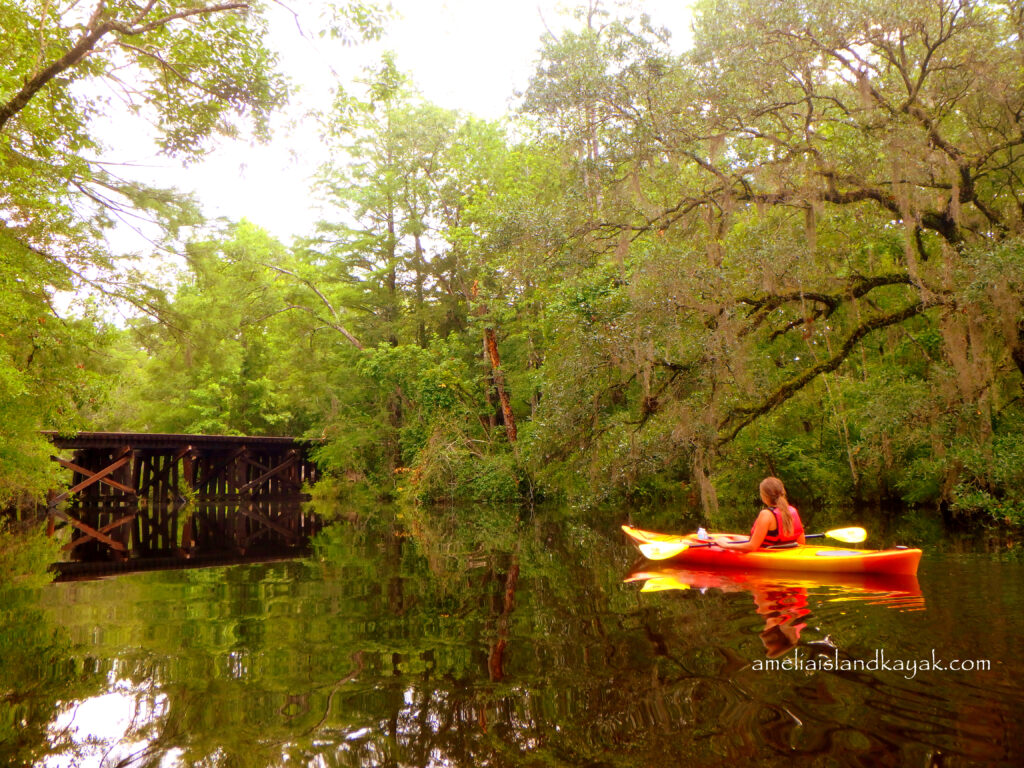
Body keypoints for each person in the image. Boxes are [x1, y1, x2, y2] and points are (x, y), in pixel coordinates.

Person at [714, 476, 805, 552]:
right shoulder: (792, 510)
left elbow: (752, 547)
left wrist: (726, 545)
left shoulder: (766, 514)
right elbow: (801, 543)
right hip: (785, 549)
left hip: (770, 551)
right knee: (735, 537)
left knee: (724, 540)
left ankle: (724, 542)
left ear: (764, 496)